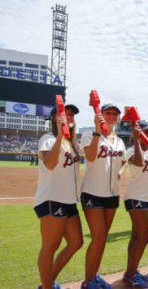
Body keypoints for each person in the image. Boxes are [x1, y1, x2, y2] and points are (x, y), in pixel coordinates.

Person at [34, 104, 82, 289]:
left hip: (68, 200)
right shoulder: (49, 138)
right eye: (65, 114)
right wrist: (61, 135)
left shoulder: (69, 143)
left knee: (76, 242)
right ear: (55, 118)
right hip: (52, 199)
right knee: (50, 246)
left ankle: (47, 281)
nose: (69, 117)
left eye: (71, 115)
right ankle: (47, 285)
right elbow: (50, 164)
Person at [80, 104, 127, 289]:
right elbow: (90, 157)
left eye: (115, 114)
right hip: (93, 192)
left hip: (112, 193)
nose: (112, 116)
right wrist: (98, 132)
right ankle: (88, 281)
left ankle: (95, 275)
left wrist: (121, 171)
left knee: (103, 237)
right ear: (100, 115)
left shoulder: (119, 141)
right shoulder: (89, 135)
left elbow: (124, 160)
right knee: (98, 237)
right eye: (108, 112)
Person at [122, 121, 148, 288]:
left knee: (136, 236)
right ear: (139, 133)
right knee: (145, 235)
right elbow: (137, 162)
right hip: (135, 197)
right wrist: (137, 140)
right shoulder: (130, 150)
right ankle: (130, 274)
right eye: (147, 132)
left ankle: (131, 271)